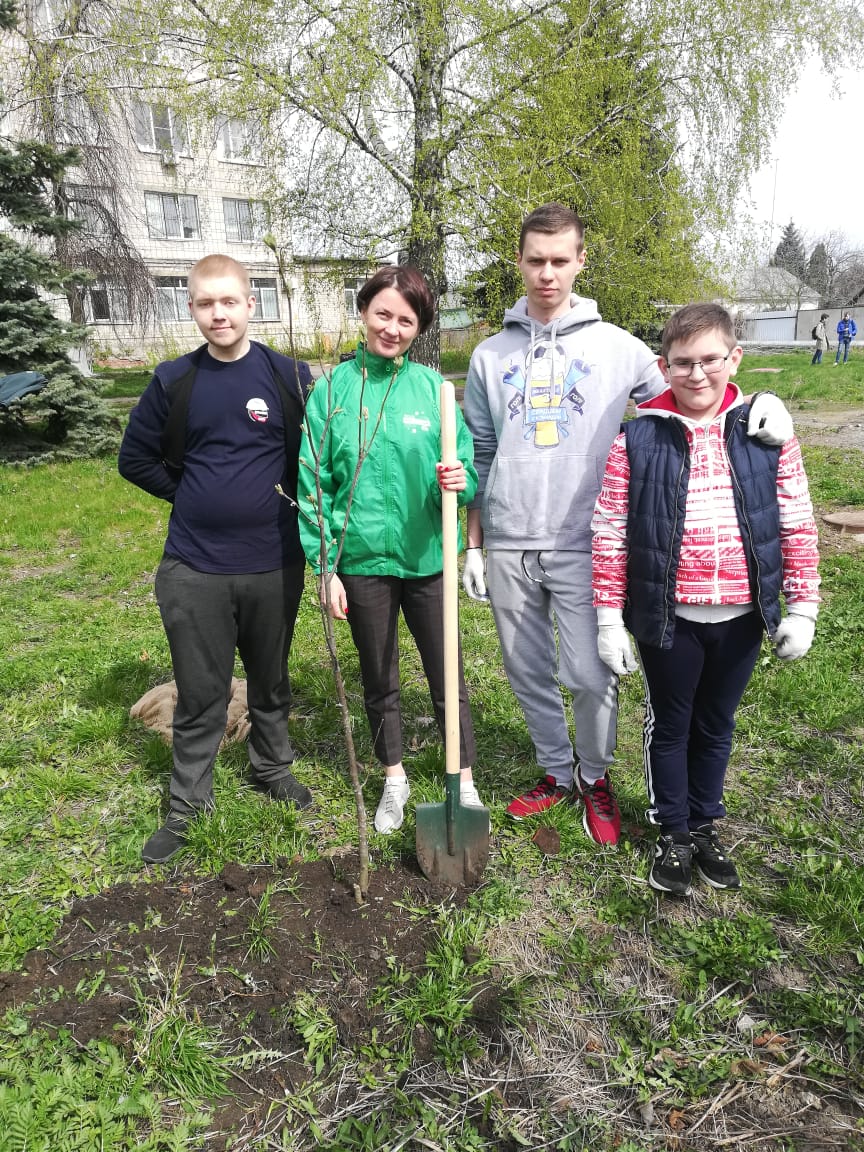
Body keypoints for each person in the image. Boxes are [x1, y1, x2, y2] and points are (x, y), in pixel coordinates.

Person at [462, 203, 794, 846]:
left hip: (589, 541)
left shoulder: (621, 350)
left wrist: (759, 403)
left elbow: (694, 394)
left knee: (589, 674)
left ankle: (595, 775)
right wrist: (474, 543)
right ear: (520, 261)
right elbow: (480, 450)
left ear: (581, 261)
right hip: (508, 539)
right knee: (526, 670)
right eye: (536, 260)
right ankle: (556, 773)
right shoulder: (488, 356)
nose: (547, 274)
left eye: (561, 260)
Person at [592, 303, 820, 894]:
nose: (697, 374)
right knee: (670, 724)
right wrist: (608, 619)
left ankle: (704, 824)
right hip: (670, 617)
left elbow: (795, 519)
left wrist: (803, 606)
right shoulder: (637, 439)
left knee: (716, 723)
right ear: (663, 368)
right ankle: (672, 830)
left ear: (734, 358)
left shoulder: (766, 434)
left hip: (743, 617)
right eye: (683, 363)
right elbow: (612, 529)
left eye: (710, 360)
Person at [119, 254, 313, 864]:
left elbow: (313, 459)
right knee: (201, 689)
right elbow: (135, 458)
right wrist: (193, 493)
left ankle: (271, 768)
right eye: (206, 303)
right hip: (195, 568)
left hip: (274, 562)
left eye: (229, 301)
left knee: (270, 677)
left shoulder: (289, 377)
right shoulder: (175, 381)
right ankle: (186, 804)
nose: (218, 313)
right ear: (192, 307)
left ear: (251, 304)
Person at [298, 265, 484, 834]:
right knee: (379, 676)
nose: (393, 328)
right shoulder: (331, 392)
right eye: (384, 313)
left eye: (407, 319)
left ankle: (465, 778)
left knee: (446, 674)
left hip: (426, 558)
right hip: (360, 563)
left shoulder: (434, 392)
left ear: (419, 327)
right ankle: (394, 778)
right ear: (364, 312)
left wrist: (460, 480)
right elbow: (313, 485)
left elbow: (469, 471)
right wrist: (326, 566)